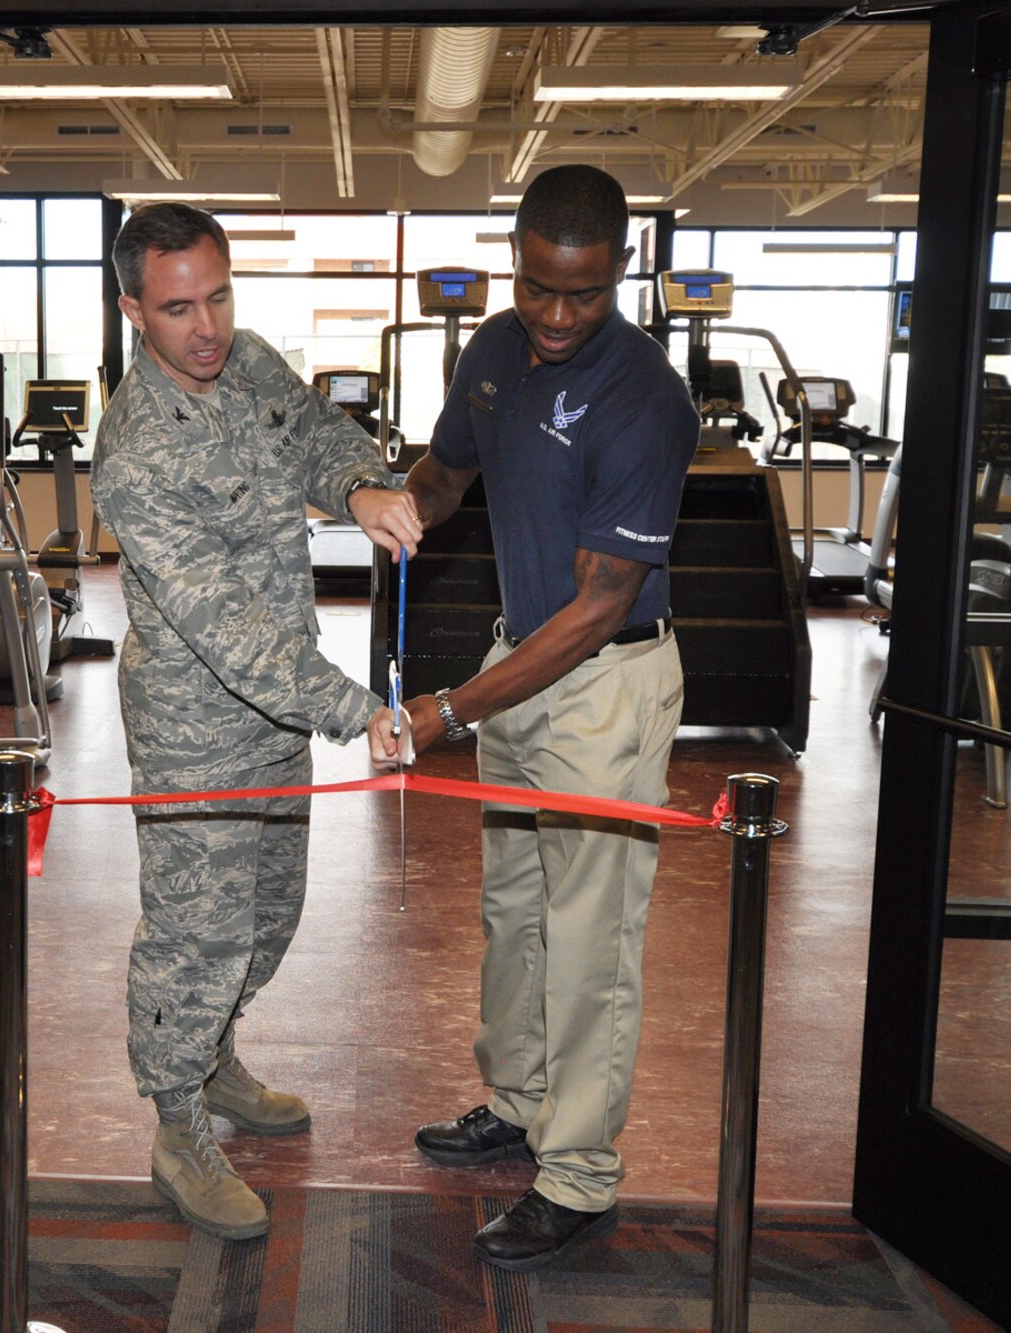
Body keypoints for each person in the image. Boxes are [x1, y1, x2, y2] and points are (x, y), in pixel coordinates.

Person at [372, 164, 698, 1270]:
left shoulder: (646, 397)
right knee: (513, 911)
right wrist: (393, 502)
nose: (558, 318)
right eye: (540, 289)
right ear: (515, 260)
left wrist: (448, 711)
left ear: (618, 273)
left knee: (589, 941)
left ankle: (578, 1174)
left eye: (585, 295)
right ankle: (516, 1104)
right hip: (520, 655)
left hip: (601, 677)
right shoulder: (494, 353)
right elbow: (448, 469)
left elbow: (601, 606)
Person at [92, 203, 422, 1241]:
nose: (207, 326)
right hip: (197, 723)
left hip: (273, 714)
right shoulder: (135, 451)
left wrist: (359, 484)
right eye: (179, 307)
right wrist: (353, 708)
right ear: (132, 310)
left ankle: (216, 1057)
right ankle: (175, 1125)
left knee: (266, 919)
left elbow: (314, 429)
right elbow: (224, 629)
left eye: (220, 295)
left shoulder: (246, 363)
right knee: (195, 937)